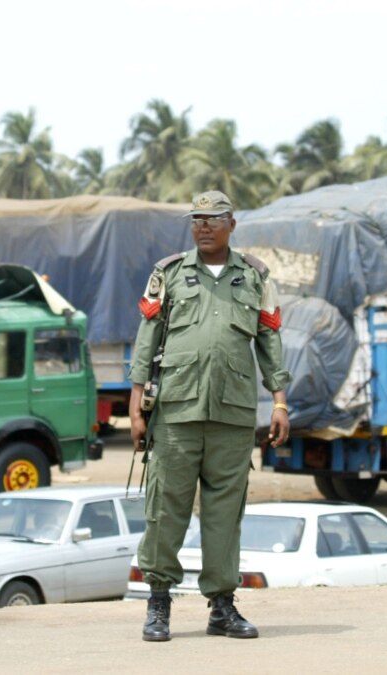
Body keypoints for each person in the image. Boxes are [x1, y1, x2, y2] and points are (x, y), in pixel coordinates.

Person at [128, 190, 291, 642]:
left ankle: (222, 607)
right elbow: (147, 340)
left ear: (231, 225)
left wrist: (279, 401)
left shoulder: (255, 277)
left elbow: (270, 341)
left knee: (225, 513)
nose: (203, 226)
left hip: (233, 415)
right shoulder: (168, 273)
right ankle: (158, 604)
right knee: (165, 509)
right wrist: (135, 405)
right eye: (196, 219)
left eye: (213, 219)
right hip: (176, 411)